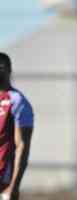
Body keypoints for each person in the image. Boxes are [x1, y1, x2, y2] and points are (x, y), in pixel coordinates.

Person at [0, 52, 34, 200]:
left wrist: (14, 186)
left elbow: (22, 145)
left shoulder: (17, 101)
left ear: (7, 70)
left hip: (3, 178)